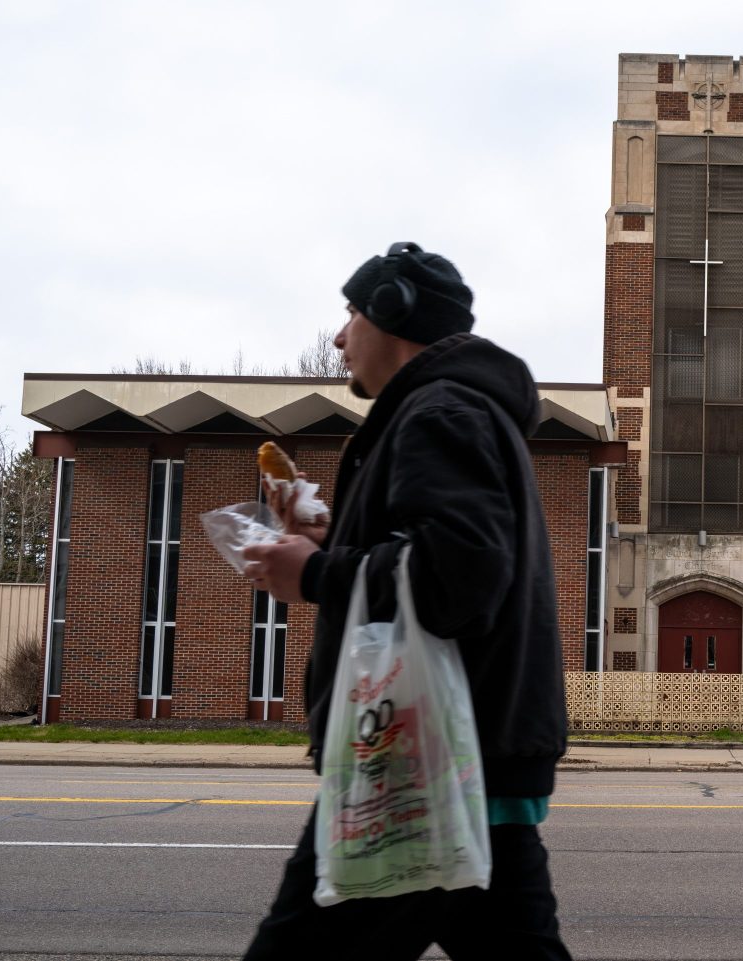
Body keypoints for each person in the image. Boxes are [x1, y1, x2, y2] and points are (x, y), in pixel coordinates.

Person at [239, 242, 571, 960]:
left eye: (350, 312)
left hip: (421, 766)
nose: (337, 336)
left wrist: (317, 575)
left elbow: (461, 576)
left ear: (393, 311)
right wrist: (325, 542)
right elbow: (443, 554)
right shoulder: (451, 409)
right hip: (460, 757)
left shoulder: (440, 410)